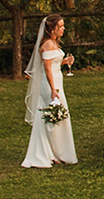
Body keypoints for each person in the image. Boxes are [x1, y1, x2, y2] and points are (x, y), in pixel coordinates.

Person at [22, 14, 77, 168]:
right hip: (50, 85)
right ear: (52, 29)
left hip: (56, 81)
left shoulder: (53, 43)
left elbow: (53, 64)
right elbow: (47, 69)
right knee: (53, 116)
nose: (63, 28)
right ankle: (49, 152)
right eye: (61, 26)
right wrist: (53, 89)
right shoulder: (47, 45)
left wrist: (65, 61)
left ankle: (55, 151)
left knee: (57, 115)